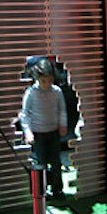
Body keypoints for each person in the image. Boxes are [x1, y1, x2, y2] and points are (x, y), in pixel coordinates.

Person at [20, 57, 68, 200]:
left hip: (53, 132)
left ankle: (58, 190)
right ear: (37, 78)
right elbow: (24, 114)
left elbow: (62, 110)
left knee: (56, 162)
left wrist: (63, 124)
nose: (47, 84)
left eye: (49, 80)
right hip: (38, 133)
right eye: (43, 81)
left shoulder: (57, 91)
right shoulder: (31, 93)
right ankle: (42, 191)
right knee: (41, 163)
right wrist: (28, 133)